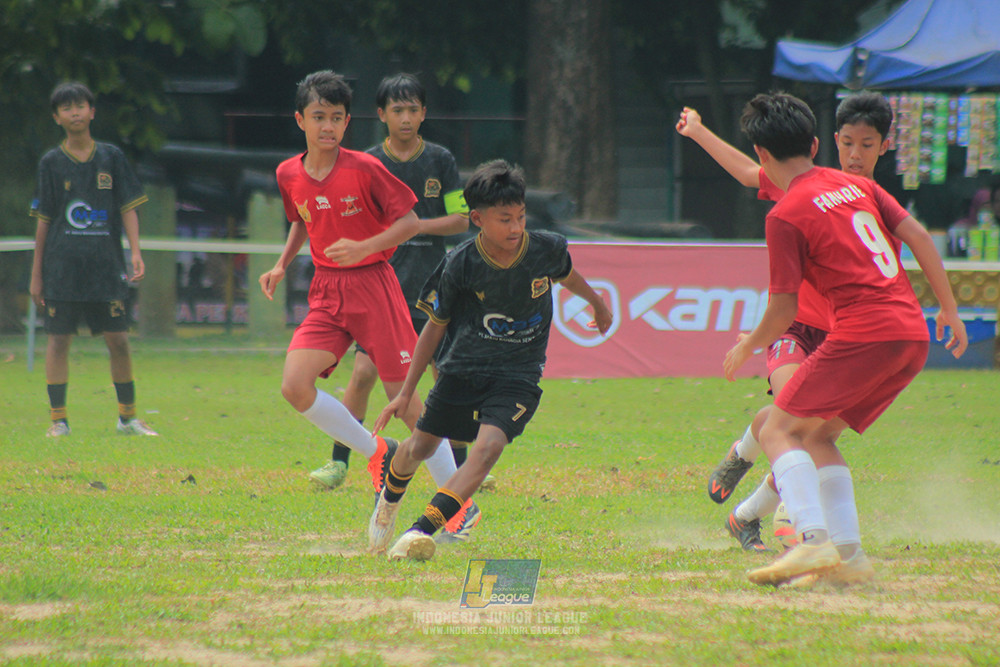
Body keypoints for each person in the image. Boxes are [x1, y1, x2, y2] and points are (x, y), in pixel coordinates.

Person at [724, 92, 966, 586]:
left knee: (779, 428)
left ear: (763, 157)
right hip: (911, 335)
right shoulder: (853, 185)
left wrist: (749, 344)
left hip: (865, 332)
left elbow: (784, 308)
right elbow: (918, 237)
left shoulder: (784, 214)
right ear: (817, 143)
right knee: (818, 435)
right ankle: (851, 558)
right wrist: (949, 309)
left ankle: (813, 542)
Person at [676, 91, 893, 553]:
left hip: (846, 341)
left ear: (884, 147)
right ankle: (783, 509)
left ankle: (746, 510)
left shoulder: (876, 205)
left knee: (802, 431)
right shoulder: (804, 185)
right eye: (849, 144)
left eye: (867, 145)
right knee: (794, 426)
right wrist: (697, 132)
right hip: (796, 331)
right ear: (829, 143)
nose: (856, 155)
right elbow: (745, 170)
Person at [366, 160, 613, 561]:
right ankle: (388, 505)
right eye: (504, 219)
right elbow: (433, 327)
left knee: (488, 448)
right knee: (422, 446)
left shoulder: (545, 248)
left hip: (519, 371)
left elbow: (568, 275)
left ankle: (417, 532)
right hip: (464, 368)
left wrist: (598, 304)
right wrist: (405, 393)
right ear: (478, 219)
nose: (515, 228)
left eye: (520, 216)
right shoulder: (461, 263)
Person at [259, 70, 466, 517]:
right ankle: (379, 452)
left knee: (408, 402)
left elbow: (409, 221)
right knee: (295, 385)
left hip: (375, 285)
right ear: (300, 120)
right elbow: (301, 217)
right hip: (327, 291)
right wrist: (281, 262)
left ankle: (457, 502)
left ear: (348, 122)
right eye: (319, 117)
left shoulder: (366, 167)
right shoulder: (288, 172)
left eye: (336, 117)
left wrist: (365, 247)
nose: (328, 126)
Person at [308, 73, 486, 500]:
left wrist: (413, 226)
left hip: (433, 285)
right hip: (381, 286)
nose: (405, 118)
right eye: (397, 110)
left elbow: (462, 219)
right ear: (382, 115)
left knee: (445, 375)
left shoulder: (440, 159)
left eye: (413, 110)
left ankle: (461, 469)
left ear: (423, 114)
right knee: (365, 372)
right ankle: (339, 460)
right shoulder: (366, 161)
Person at [29, 81, 158, 437]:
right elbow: (43, 221)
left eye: (80, 106)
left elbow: (128, 207)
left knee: (118, 339)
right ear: (57, 117)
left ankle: (128, 418)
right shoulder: (51, 163)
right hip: (61, 268)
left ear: (92, 111)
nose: (75, 113)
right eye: (66, 108)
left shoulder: (111, 157)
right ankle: (58, 421)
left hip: (106, 268)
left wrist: (135, 252)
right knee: (58, 342)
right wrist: (36, 274)